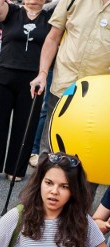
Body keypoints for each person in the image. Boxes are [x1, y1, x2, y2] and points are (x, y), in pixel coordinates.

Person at [0, 0, 52, 184]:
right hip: (4, 75)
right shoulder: (12, 11)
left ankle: (16, 168)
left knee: (25, 124)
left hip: (33, 79)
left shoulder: (50, 17)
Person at [0, 152, 107, 247]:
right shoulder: (18, 217)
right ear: (39, 183)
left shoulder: (82, 220)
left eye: (64, 186)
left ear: (74, 191)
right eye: (49, 183)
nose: (54, 191)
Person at [29, 0, 110, 156]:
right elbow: (53, 38)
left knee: (88, 153)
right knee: (51, 147)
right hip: (63, 86)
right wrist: (43, 73)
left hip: (97, 97)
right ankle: (46, 179)